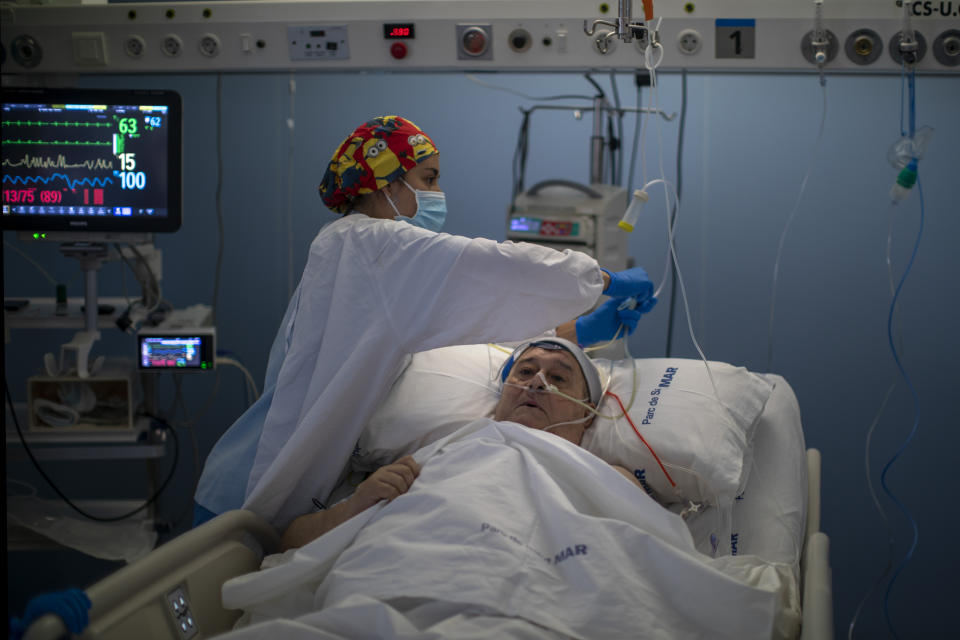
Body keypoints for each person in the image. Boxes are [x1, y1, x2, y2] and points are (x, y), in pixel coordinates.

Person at [194, 116, 657, 530]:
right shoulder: (375, 246)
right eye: (428, 178)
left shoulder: (359, 252)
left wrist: (584, 333)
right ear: (386, 183)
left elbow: (470, 326)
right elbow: (495, 269)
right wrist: (603, 279)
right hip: (254, 481)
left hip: (265, 474)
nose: (436, 194)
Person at [280, 338, 644, 550]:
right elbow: (289, 543)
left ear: (589, 411)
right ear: (504, 390)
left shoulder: (606, 478)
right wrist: (358, 504)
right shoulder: (432, 457)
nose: (537, 383)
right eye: (526, 371)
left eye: (559, 377)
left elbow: (645, 559)